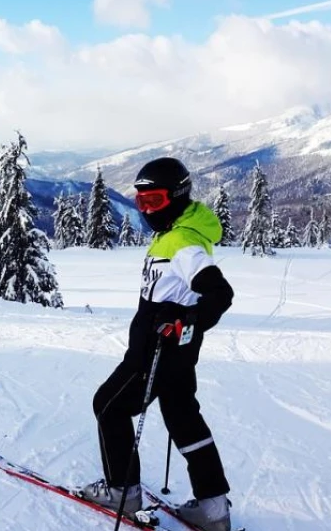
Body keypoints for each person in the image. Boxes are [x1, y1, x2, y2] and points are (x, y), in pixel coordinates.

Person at [78, 157, 235, 531]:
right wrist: (186, 322)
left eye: (156, 201)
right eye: (141, 202)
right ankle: (213, 508)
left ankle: (122, 493)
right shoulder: (176, 233)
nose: (147, 210)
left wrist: (188, 319)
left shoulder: (182, 243)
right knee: (183, 419)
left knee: (108, 406)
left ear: (178, 197)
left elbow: (219, 292)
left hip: (155, 353)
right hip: (178, 353)